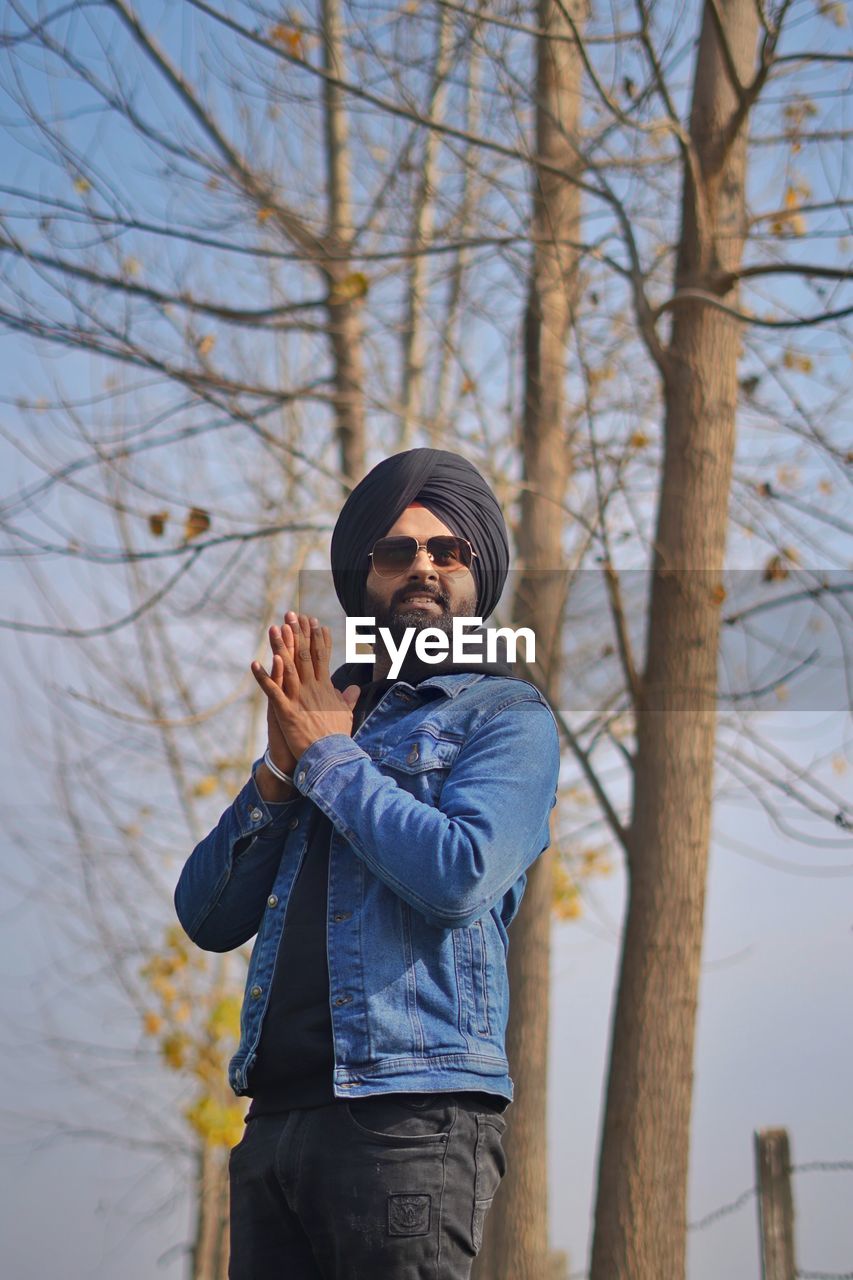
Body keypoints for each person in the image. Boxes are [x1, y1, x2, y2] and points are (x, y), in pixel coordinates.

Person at [174, 447, 560, 1280]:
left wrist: (328, 762)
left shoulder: (507, 716)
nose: (422, 565)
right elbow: (206, 918)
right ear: (364, 576)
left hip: (408, 1121)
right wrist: (280, 772)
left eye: (446, 551)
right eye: (396, 551)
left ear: (476, 573)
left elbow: (460, 873)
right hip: (274, 1123)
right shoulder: (328, 720)